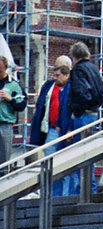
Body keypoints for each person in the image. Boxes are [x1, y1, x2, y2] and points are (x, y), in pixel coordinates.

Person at [29, 55, 73, 196]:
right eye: (55, 68)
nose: (56, 73)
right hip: (50, 129)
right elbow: (41, 106)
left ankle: (63, 196)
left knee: (64, 165)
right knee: (49, 165)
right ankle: (52, 195)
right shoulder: (48, 85)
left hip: (65, 131)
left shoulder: (72, 86)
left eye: (61, 70)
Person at [69, 42, 103, 193]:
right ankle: (91, 189)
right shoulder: (94, 68)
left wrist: (76, 109)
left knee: (80, 154)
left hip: (83, 115)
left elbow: (82, 92)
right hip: (94, 113)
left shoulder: (78, 69)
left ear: (74, 56)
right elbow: (101, 91)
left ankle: (84, 191)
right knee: (89, 153)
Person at [0, 56, 27, 166]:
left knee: (4, 159)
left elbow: (22, 105)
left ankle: (4, 180)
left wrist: (10, 99)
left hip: (5, 125)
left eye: (0, 70)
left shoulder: (14, 85)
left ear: (5, 69)